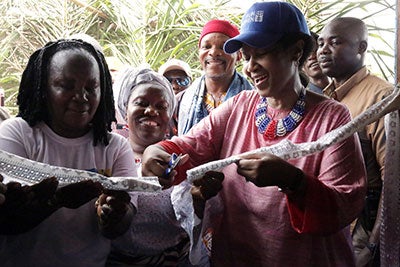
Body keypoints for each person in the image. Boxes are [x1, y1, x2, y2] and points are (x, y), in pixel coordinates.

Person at [141, 2, 367, 266]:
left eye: (261, 53)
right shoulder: (239, 107)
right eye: (247, 56)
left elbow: (344, 204)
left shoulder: (332, 118)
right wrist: (157, 151)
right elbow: (188, 146)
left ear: (296, 51)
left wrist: (293, 181)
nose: (250, 67)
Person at [0, 38, 137, 267]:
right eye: (67, 85)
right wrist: (57, 200)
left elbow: (123, 223)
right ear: (44, 87)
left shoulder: (115, 147)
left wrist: (114, 215)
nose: (81, 97)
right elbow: (7, 220)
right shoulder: (17, 134)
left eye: (91, 87)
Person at [317, 17, 392, 267]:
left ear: (361, 48)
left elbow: (392, 177)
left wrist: (372, 245)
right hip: (331, 222)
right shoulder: (325, 99)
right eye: (320, 43)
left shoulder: (382, 97)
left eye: (335, 42)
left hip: (363, 226)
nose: (323, 50)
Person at [106, 67, 193, 266]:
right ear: (125, 109)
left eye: (161, 106)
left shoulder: (183, 156)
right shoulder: (108, 156)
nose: (151, 111)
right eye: (141, 103)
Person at [177, 19, 253, 136]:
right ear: (199, 54)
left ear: (238, 55)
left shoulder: (255, 101)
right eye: (206, 47)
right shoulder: (180, 101)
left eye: (223, 47)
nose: (213, 52)